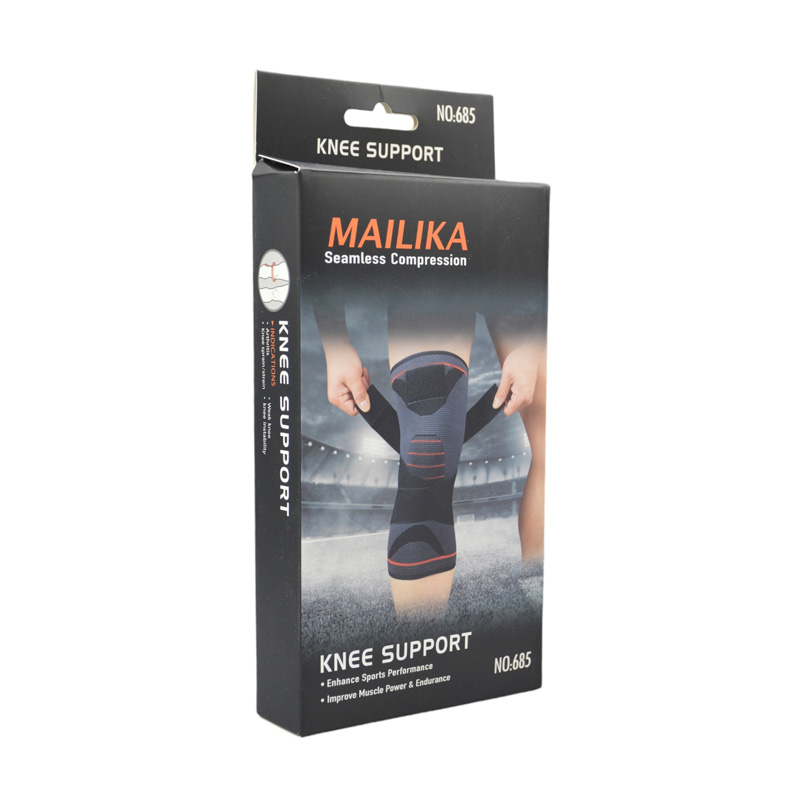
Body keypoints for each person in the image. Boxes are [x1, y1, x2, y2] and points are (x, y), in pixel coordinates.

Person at [315, 295, 546, 621]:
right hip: (438, 268)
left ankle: (540, 613)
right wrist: (335, 344)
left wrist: (535, 343)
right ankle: (421, 645)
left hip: (520, 279)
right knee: (427, 457)